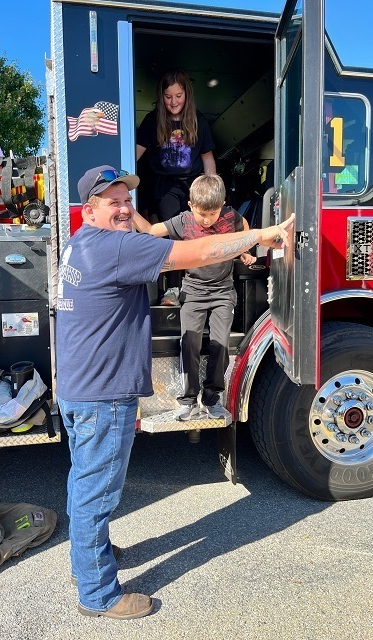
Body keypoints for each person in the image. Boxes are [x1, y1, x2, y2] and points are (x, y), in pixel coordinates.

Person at [55, 164, 294, 620]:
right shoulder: (116, 247)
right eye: (113, 201)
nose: (125, 208)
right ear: (89, 209)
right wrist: (257, 236)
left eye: (128, 199)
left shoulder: (81, 242)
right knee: (96, 491)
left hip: (80, 388)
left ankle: (91, 554)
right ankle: (98, 594)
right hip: (102, 395)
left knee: (85, 480)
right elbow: (199, 251)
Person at [133, 173, 255, 420]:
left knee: (220, 344)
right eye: (202, 214)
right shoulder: (183, 221)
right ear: (191, 206)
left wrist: (245, 250)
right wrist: (127, 205)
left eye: (213, 214)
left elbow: (245, 229)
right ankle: (188, 400)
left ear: (222, 205)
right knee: (190, 344)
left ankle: (212, 399)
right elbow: (149, 230)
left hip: (222, 291)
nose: (208, 220)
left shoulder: (231, 216)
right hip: (194, 291)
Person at [136, 69, 216, 305]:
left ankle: (195, 289)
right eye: (168, 96)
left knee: (195, 234)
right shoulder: (152, 121)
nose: (173, 102)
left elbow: (207, 157)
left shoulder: (198, 120)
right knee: (170, 236)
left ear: (187, 95)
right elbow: (135, 154)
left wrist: (213, 190)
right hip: (165, 186)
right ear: (161, 97)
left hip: (193, 187)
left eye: (178, 96)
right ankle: (171, 290)